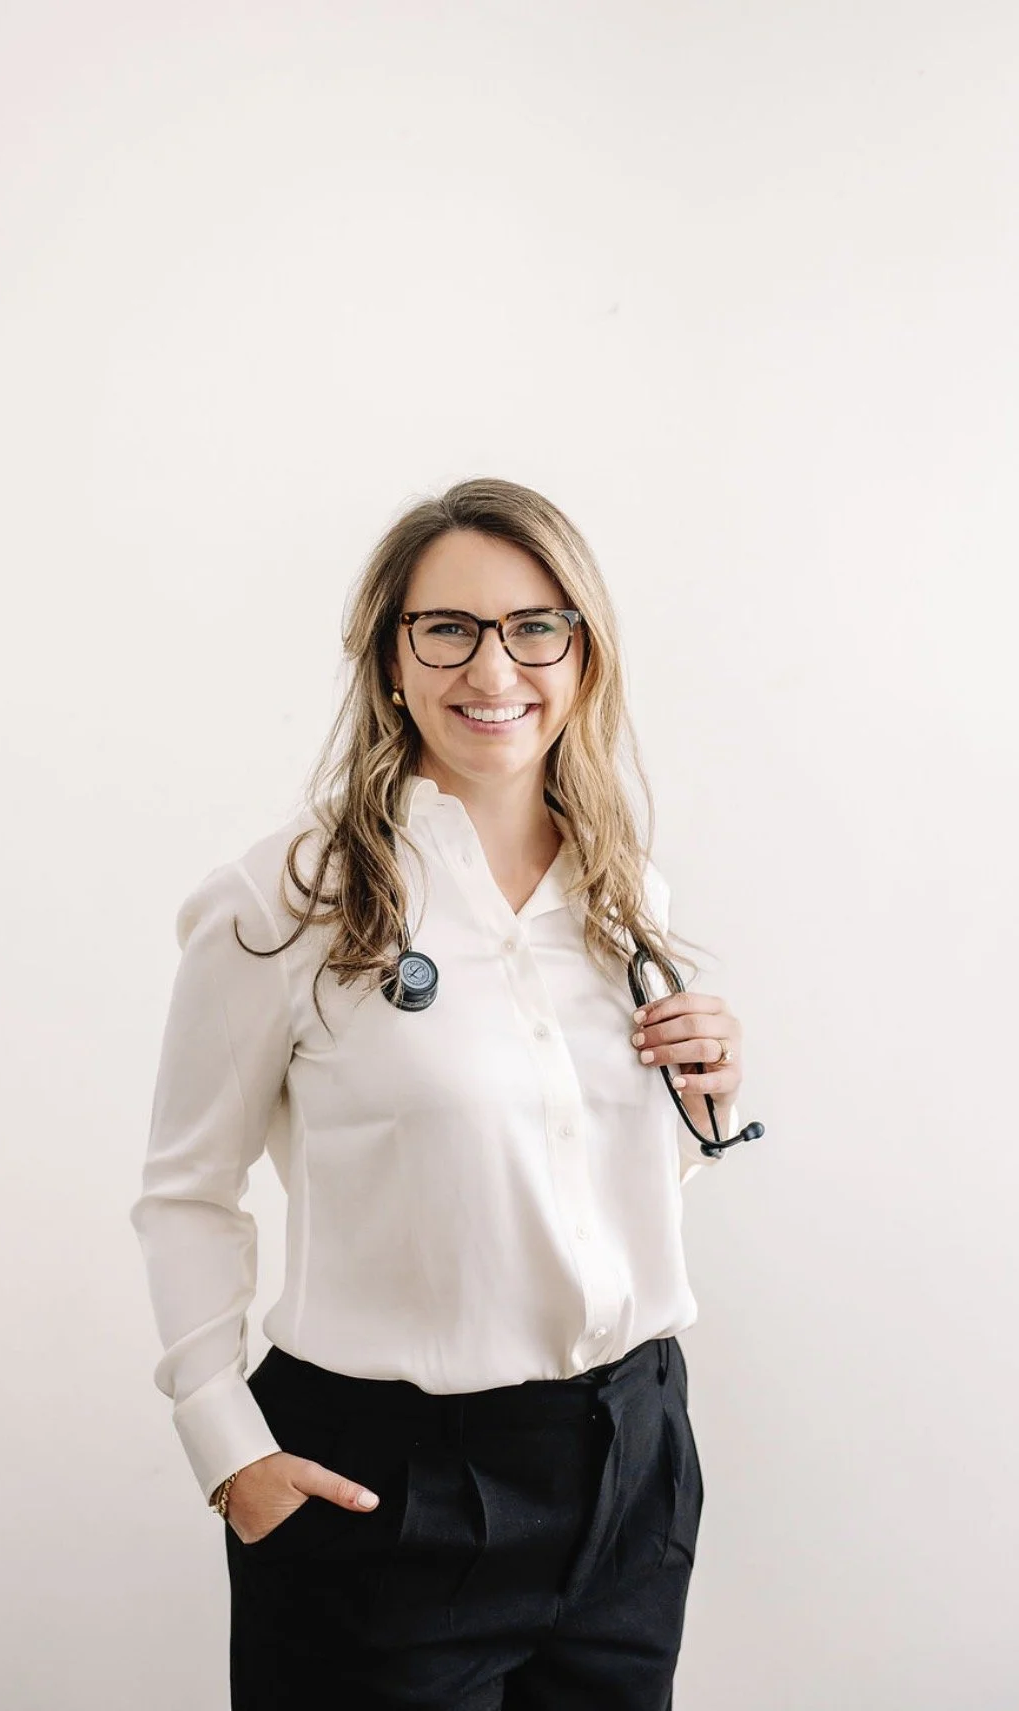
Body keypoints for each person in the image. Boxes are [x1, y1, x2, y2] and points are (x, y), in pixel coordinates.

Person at [130, 476, 746, 1709]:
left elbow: (562, 1178)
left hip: (629, 1466)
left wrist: (705, 1105)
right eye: (447, 628)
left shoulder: (627, 894)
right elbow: (187, 1191)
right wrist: (227, 1446)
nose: (494, 666)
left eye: (534, 626)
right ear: (391, 658)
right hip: (389, 1490)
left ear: (583, 652)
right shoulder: (284, 902)